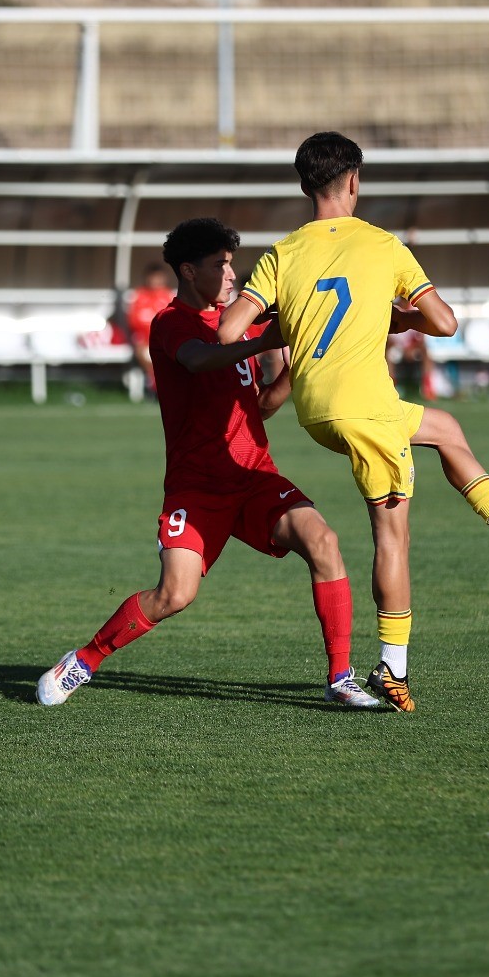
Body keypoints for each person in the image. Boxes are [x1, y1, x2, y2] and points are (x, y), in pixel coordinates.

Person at [217, 131, 489, 712]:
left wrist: (290, 329)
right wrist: (404, 320)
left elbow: (228, 332)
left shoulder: (282, 253)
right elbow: (445, 322)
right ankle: (392, 668)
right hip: (366, 409)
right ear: (354, 181)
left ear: (305, 184)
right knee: (393, 537)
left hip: (316, 411)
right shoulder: (383, 246)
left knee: (444, 431)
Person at [36, 217, 379, 710]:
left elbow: (260, 406)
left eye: (232, 263)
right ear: (188, 270)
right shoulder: (170, 323)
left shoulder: (237, 327)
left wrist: (292, 364)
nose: (232, 274)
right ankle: (85, 660)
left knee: (323, 540)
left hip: (253, 475)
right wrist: (264, 340)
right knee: (174, 594)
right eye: (221, 265)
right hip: (196, 489)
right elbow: (199, 359)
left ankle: (340, 676)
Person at [125, 261, 173, 393]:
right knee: (140, 346)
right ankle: (155, 383)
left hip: (164, 338)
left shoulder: (169, 295)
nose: (156, 280)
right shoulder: (138, 295)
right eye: (153, 277)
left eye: (159, 277)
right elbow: (133, 321)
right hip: (144, 339)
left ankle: (164, 384)